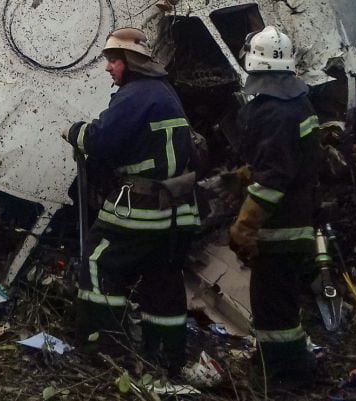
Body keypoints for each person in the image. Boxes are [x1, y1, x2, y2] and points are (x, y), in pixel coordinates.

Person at [63, 27, 199, 373]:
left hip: (142, 208)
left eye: (113, 60)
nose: (108, 68)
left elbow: (102, 141)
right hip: (178, 210)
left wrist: (75, 132)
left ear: (131, 62)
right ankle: (166, 359)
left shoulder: (133, 96)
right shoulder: (165, 93)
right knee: (163, 281)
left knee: (96, 260)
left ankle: (105, 349)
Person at [229, 26, 320, 388]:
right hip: (299, 223)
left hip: (280, 230)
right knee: (283, 308)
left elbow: (274, 178)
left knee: (273, 312)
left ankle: (283, 382)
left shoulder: (271, 112)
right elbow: (294, 161)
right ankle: (289, 371)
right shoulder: (300, 102)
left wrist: (245, 223)